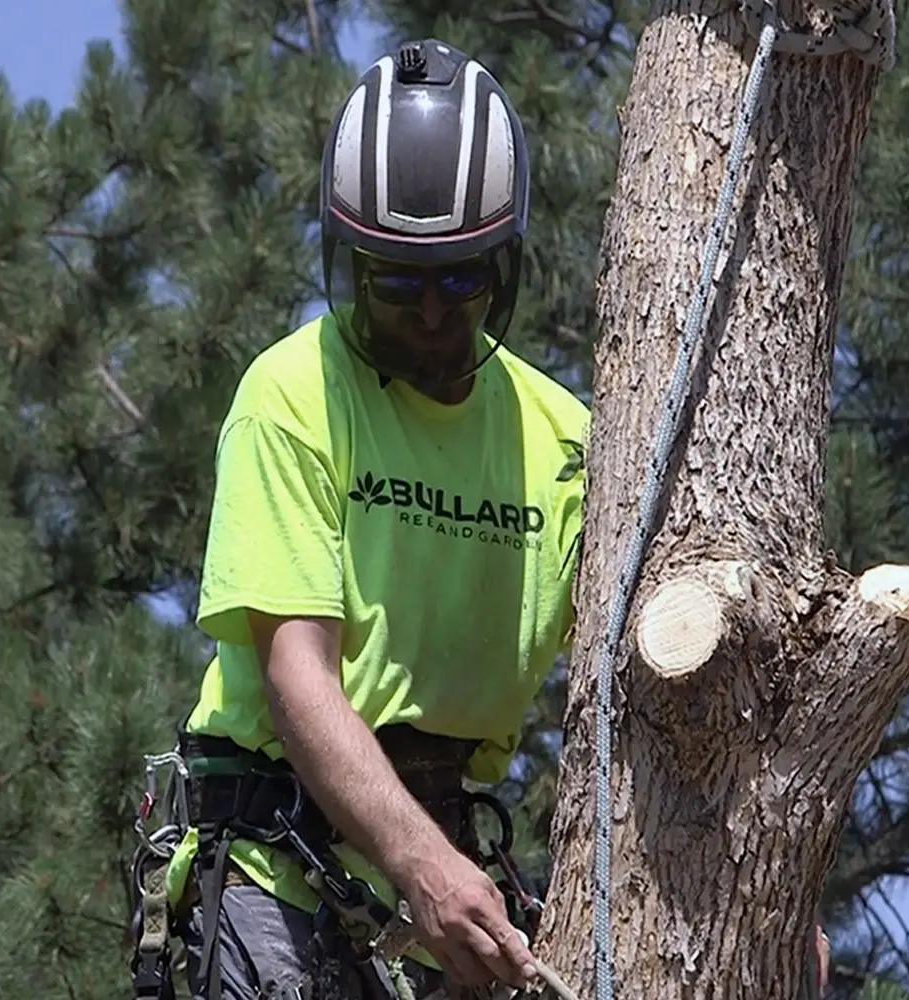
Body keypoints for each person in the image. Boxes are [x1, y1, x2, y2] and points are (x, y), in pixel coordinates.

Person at [138, 36, 590, 1000]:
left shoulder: (567, 442)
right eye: (397, 284)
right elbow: (298, 677)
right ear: (350, 262)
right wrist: (421, 866)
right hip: (280, 868)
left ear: (502, 266)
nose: (430, 312)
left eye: (461, 281)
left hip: (439, 882)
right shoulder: (293, 395)